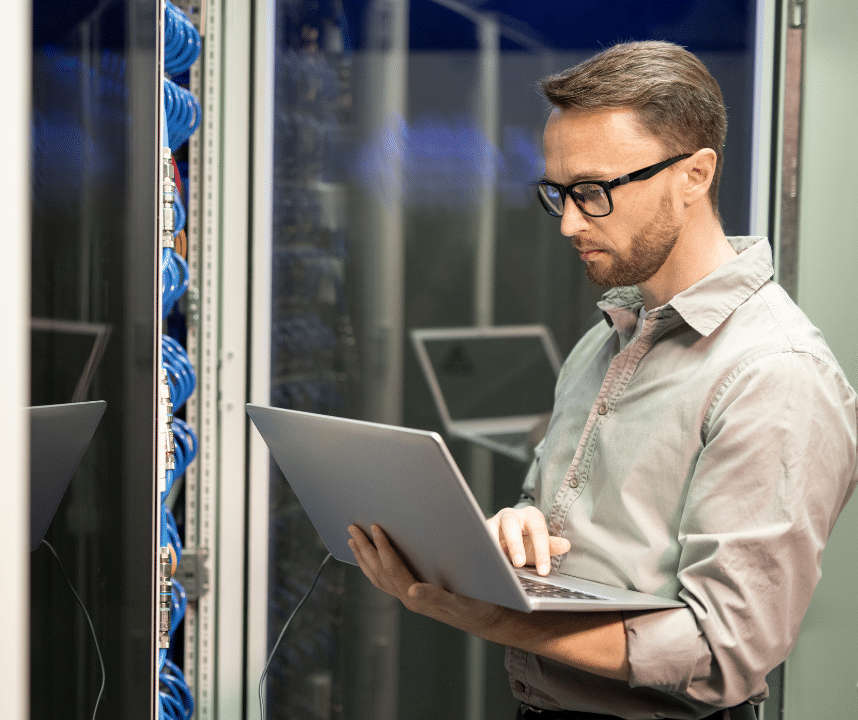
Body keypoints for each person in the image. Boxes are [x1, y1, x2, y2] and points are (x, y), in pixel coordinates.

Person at [347, 41, 858, 720]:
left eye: (594, 192)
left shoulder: (775, 373)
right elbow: (558, 522)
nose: (568, 222)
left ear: (696, 174)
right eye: (558, 193)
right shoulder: (606, 338)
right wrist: (517, 530)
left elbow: (723, 651)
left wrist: (480, 612)